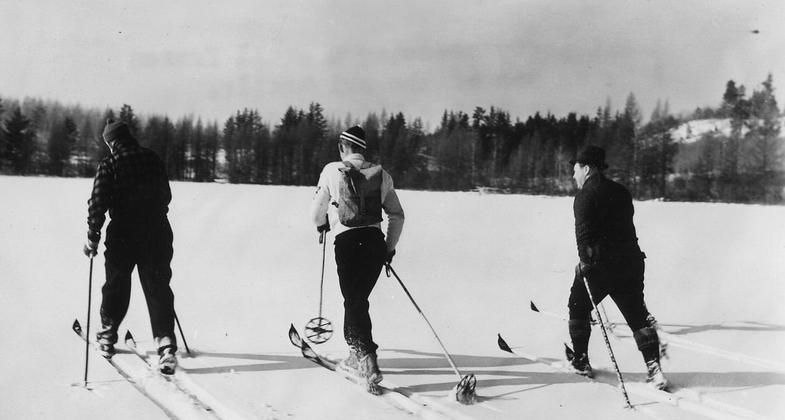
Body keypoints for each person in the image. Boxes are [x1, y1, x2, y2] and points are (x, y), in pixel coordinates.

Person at [310, 125, 404, 392]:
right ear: (363, 149)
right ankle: (357, 352)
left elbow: (316, 212)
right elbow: (397, 215)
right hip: (374, 244)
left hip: (348, 242)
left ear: (343, 147)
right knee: (357, 300)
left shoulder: (332, 170)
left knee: (354, 300)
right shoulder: (381, 175)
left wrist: (322, 226)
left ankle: (367, 359)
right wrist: (388, 248)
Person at [567, 145, 667, 390]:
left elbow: (584, 236)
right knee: (637, 316)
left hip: (600, 266)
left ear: (587, 168)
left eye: (576, 169)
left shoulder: (585, 196)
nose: (573, 175)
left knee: (577, 307)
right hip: (631, 263)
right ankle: (654, 368)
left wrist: (586, 263)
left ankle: (581, 360)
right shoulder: (622, 191)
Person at [83, 119, 178, 374]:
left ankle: (107, 334)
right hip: (157, 231)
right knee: (157, 286)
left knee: (117, 283)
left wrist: (93, 236)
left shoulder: (110, 164)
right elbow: (165, 194)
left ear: (111, 142)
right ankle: (166, 343)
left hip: (123, 233)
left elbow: (98, 203)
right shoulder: (152, 158)